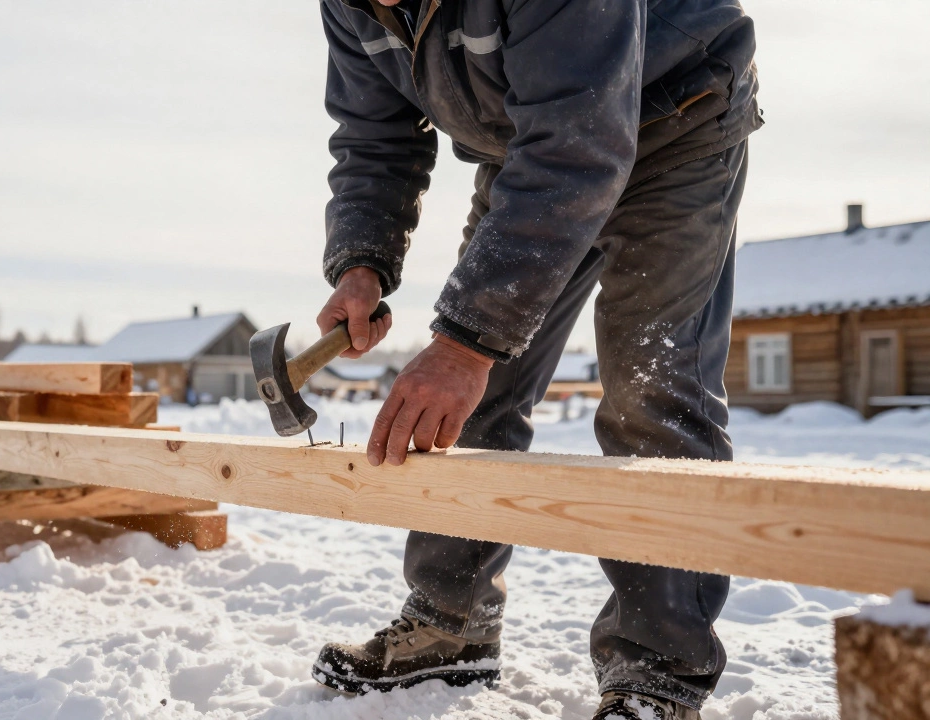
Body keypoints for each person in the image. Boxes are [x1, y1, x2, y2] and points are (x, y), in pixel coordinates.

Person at [309, 1, 761, 718]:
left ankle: (658, 673)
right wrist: (362, 262)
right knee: (469, 398)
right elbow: (375, 135)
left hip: (677, 114)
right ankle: (451, 625)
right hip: (529, 145)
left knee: (653, 393)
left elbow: (580, 147)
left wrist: (464, 344)